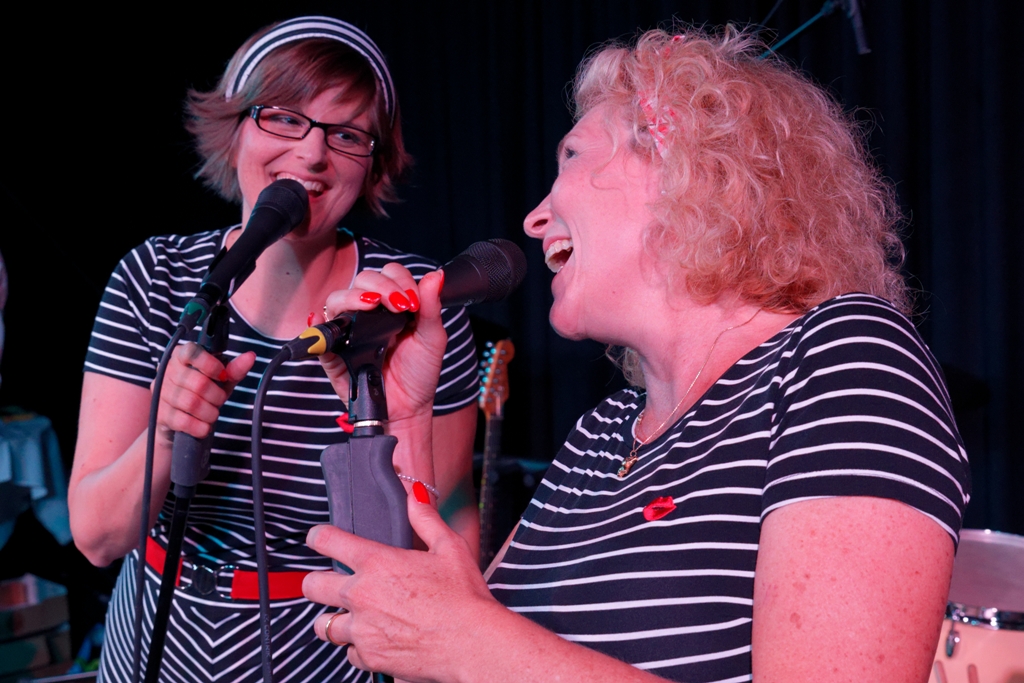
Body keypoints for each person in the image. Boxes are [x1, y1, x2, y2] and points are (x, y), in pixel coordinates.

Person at [300, 26, 971, 683]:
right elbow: (433, 649)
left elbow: (475, 649)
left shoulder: (842, 357)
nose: (534, 218)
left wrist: (471, 643)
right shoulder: (602, 434)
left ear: (684, 169)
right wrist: (404, 421)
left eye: (571, 157)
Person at [68, 16, 479, 683]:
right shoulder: (156, 279)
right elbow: (96, 538)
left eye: (346, 134)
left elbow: (449, 547)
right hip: (153, 639)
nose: (312, 155)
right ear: (236, 132)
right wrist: (168, 433)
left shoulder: (411, 305)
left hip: (326, 646)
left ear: (371, 163)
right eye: (284, 118)